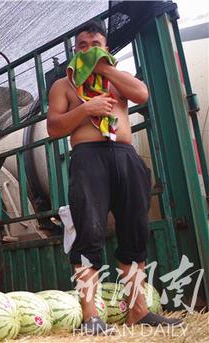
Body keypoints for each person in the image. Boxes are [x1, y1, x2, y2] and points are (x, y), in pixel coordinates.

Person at [47, 21, 182, 334]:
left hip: (124, 156)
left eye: (96, 44)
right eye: (83, 46)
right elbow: (54, 127)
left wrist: (104, 70)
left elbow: (142, 94)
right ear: (74, 51)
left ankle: (138, 311)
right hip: (88, 157)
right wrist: (87, 108)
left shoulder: (116, 78)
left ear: (106, 48)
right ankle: (91, 316)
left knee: (135, 232)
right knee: (89, 233)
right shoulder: (64, 85)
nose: (90, 49)